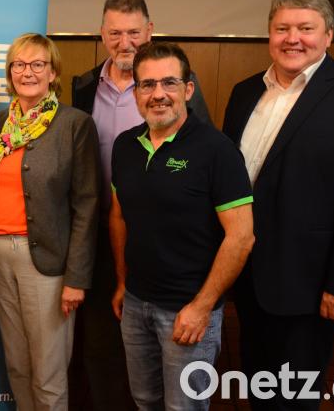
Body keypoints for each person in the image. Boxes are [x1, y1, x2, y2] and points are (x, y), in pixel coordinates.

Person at [222, 0, 334, 410]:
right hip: (249, 275)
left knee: (294, 397)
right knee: (259, 384)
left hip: (311, 286)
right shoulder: (244, 93)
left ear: (328, 35)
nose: (293, 38)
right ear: (269, 34)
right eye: (282, 28)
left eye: (305, 28)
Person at [70, 0, 212, 410]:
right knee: (99, 338)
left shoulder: (173, 85)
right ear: (102, 34)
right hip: (98, 227)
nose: (125, 41)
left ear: (150, 30)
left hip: (157, 235)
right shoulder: (82, 85)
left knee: (160, 345)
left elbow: (199, 148)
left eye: (134, 31)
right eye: (114, 32)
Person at [110, 42, 255, 410]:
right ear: (136, 91)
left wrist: (203, 307)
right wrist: (124, 282)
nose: (158, 94)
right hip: (136, 302)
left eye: (169, 83)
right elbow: (119, 216)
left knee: (183, 408)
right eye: (147, 85)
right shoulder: (125, 146)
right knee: (144, 400)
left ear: (188, 90)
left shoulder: (217, 151)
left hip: (187, 311)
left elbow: (241, 236)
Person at [0, 33, 99, 411]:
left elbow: (87, 204)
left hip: (46, 263)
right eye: (19, 65)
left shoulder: (74, 124)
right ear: (10, 72)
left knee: (48, 372)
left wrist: (76, 278)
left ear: (53, 72)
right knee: (18, 365)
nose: (27, 72)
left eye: (37, 64)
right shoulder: (1, 122)